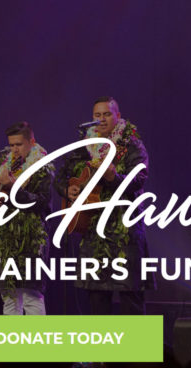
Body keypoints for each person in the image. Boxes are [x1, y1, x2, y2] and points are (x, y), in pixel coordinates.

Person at [56, 97, 155, 315]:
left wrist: (113, 177)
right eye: (97, 115)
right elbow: (61, 176)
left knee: (130, 296)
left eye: (107, 114)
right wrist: (66, 190)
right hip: (94, 231)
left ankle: (136, 339)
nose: (101, 119)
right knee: (97, 298)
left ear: (118, 116)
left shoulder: (131, 144)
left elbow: (139, 179)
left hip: (125, 230)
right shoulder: (85, 145)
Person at [0, 121, 54, 315]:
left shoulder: (42, 166)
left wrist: (13, 187)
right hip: (5, 237)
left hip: (30, 239)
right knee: (9, 295)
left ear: (32, 142)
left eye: (19, 144)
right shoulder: (6, 166)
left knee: (31, 295)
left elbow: (41, 203)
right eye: (11, 145)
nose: (14, 149)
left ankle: (36, 335)